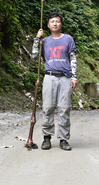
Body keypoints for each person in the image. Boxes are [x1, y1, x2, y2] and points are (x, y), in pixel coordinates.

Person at [31, 12, 77, 151]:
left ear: (61, 24)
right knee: (48, 107)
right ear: (48, 25)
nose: (55, 23)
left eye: (57, 21)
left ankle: (63, 139)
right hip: (49, 77)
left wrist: (74, 76)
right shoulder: (44, 41)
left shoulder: (68, 39)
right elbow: (34, 57)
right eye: (52, 22)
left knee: (64, 108)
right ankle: (46, 138)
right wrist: (36, 39)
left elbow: (73, 58)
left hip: (65, 77)